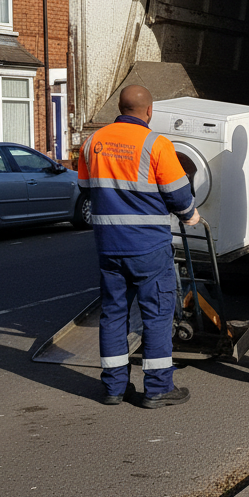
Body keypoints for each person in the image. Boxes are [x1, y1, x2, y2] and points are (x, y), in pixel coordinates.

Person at [78, 85, 198, 408]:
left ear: (120, 107)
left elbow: (86, 188)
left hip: (108, 246)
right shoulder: (155, 144)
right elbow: (178, 194)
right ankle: (158, 388)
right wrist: (191, 216)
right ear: (149, 111)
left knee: (113, 313)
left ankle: (114, 388)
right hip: (148, 247)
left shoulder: (93, 142)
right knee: (156, 314)